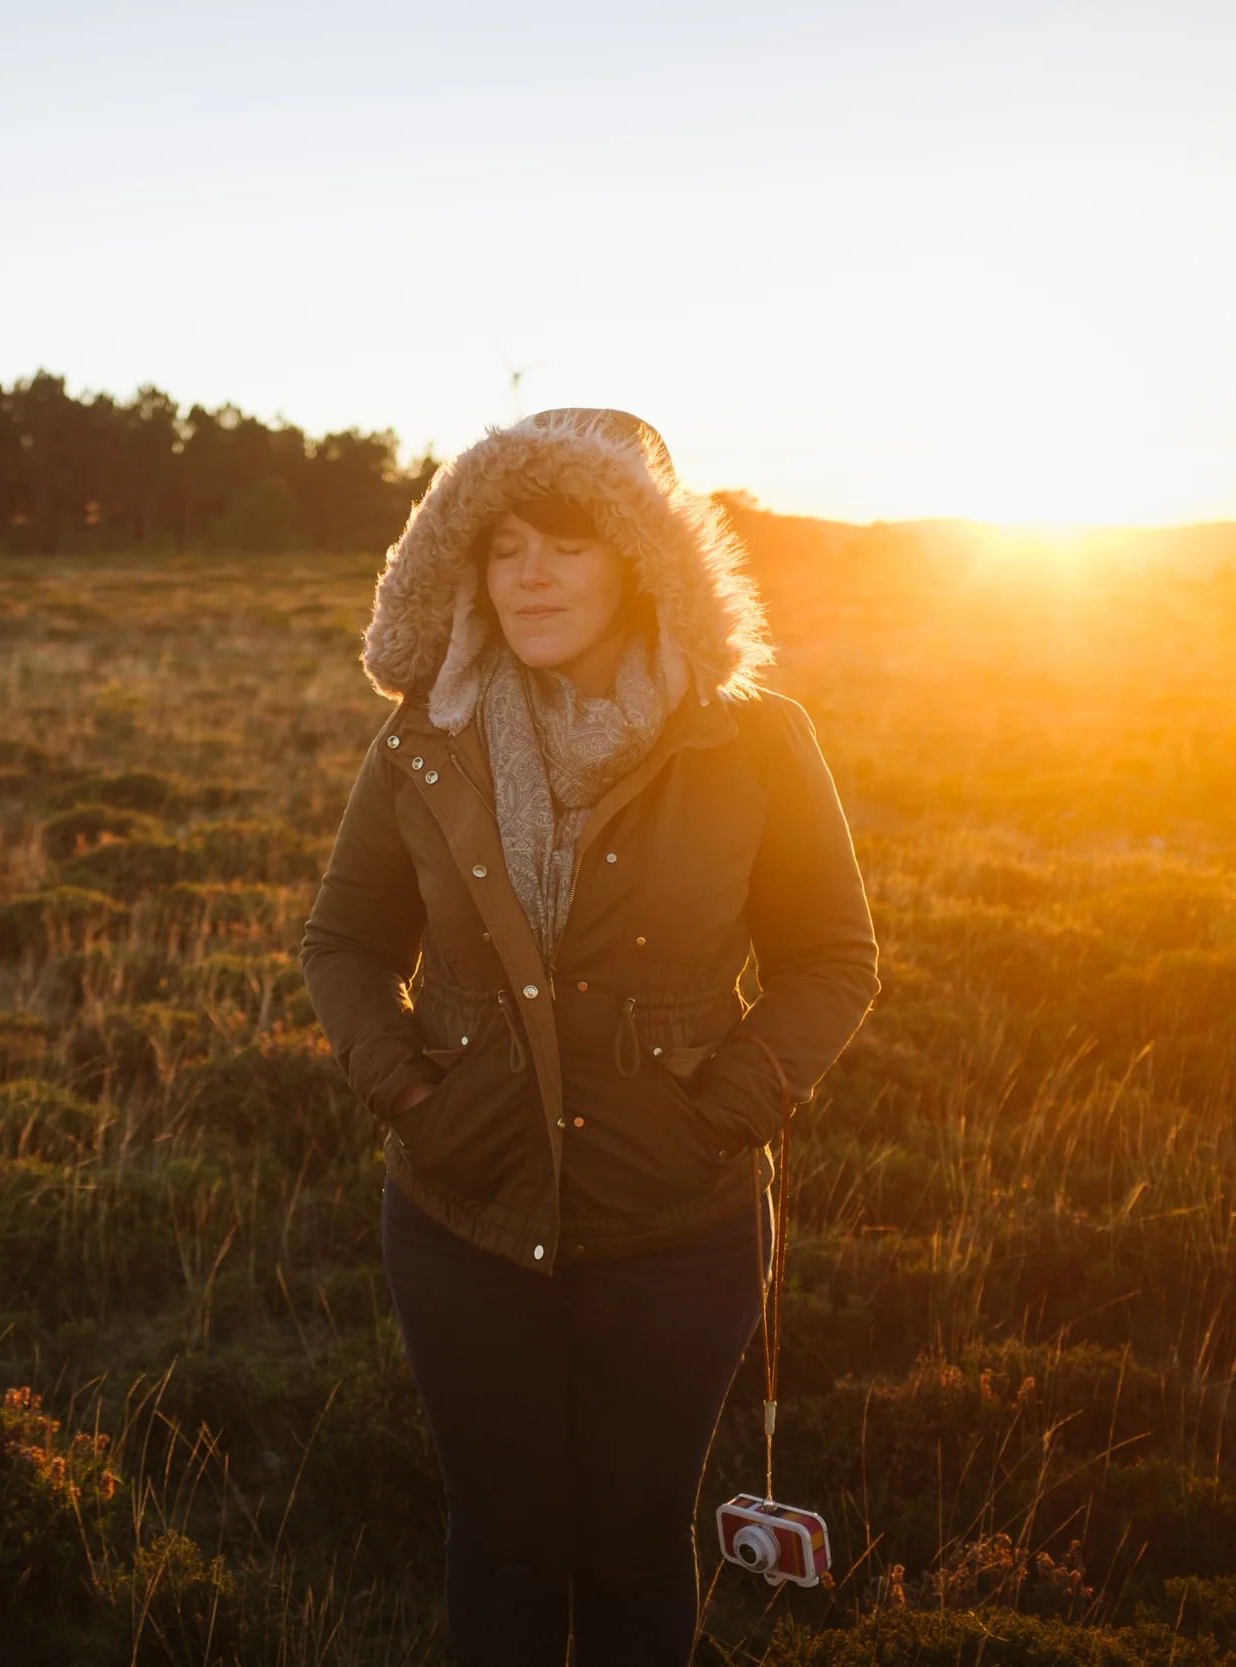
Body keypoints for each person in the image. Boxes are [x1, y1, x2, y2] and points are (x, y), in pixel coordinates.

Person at [300, 410, 877, 1664]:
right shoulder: (425, 738)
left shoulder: (753, 738)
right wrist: (412, 1098)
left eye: (567, 544)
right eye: (504, 546)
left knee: (631, 1540)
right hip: (462, 1213)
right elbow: (341, 943)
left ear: (644, 560)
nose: (531, 575)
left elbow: (831, 957)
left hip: (676, 1221)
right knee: (501, 1538)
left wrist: (717, 1114)